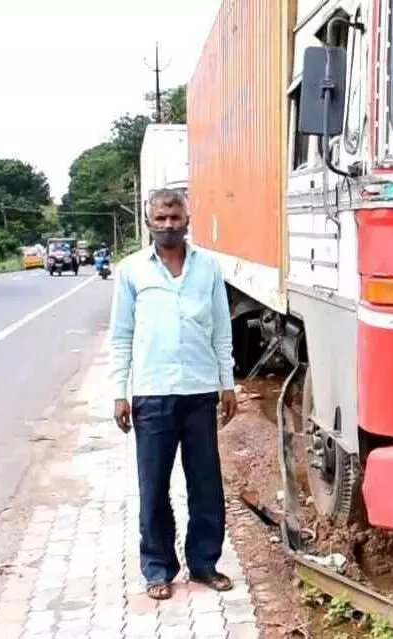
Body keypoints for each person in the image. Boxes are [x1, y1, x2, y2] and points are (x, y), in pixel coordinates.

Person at [108, 189, 237, 600]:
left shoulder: (209, 268)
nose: (168, 224)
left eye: (174, 217)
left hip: (200, 393)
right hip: (152, 393)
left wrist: (227, 383)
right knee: (154, 486)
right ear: (149, 222)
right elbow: (121, 335)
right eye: (160, 218)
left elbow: (221, 329)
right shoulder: (131, 272)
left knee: (205, 484)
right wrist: (119, 392)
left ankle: (203, 564)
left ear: (187, 220)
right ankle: (158, 567)